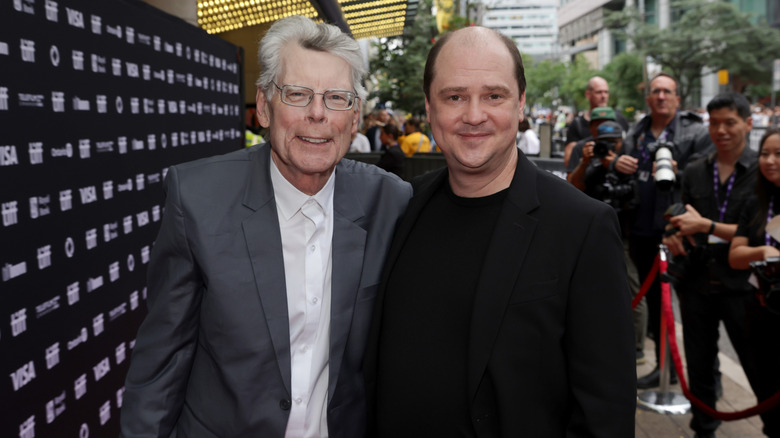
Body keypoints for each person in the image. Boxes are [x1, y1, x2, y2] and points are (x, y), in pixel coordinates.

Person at [120, 15, 412, 438]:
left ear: (354, 118)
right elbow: (162, 361)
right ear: (263, 105)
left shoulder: (391, 202)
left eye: (336, 98)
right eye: (297, 94)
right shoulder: (197, 200)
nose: (317, 114)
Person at [365, 25, 636, 437]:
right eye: (455, 96)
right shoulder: (401, 205)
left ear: (521, 104)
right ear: (429, 106)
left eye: (494, 96)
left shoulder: (582, 225)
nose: (474, 115)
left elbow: (606, 409)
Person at [663, 93, 760, 438]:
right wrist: (673, 233)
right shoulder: (694, 170)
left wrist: (706, 227)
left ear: (747, 124)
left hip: (744, 287)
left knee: (760, 367)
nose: (721, 130)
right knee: (700, 365)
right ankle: (703, 429)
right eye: (714, 122)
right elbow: (681, 215)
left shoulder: (765, 171)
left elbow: (765, 235)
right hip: (696, 282)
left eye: (729, 122)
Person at [614, 72, 713, 388]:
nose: (660, 96)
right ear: (648, 98)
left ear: (677, 98)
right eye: (655, 91)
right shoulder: (637, 132)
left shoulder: (695, 131)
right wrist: (619, 163)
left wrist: (674, 171)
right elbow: (624, 176)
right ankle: (663, 367)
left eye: (666, 91)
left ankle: (711, 376)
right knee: (657, 305)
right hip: (641, 229)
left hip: (679, 229)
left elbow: (705, 180)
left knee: (696, 307)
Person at [729, 127, 780, 438]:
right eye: (764, 154)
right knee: (767, 396)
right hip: (761, 312)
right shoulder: (755, 201)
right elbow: (735, 256)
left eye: (778, 154)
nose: (770, 161)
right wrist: (762, 251)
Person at [564, 76, 630, 168]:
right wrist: (585, 158)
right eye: (599, 92)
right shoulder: (578, 124)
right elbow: (569, 161)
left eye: (606, 92)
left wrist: (617, 160)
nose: (603, 96)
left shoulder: (620, 119)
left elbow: (629, 149)